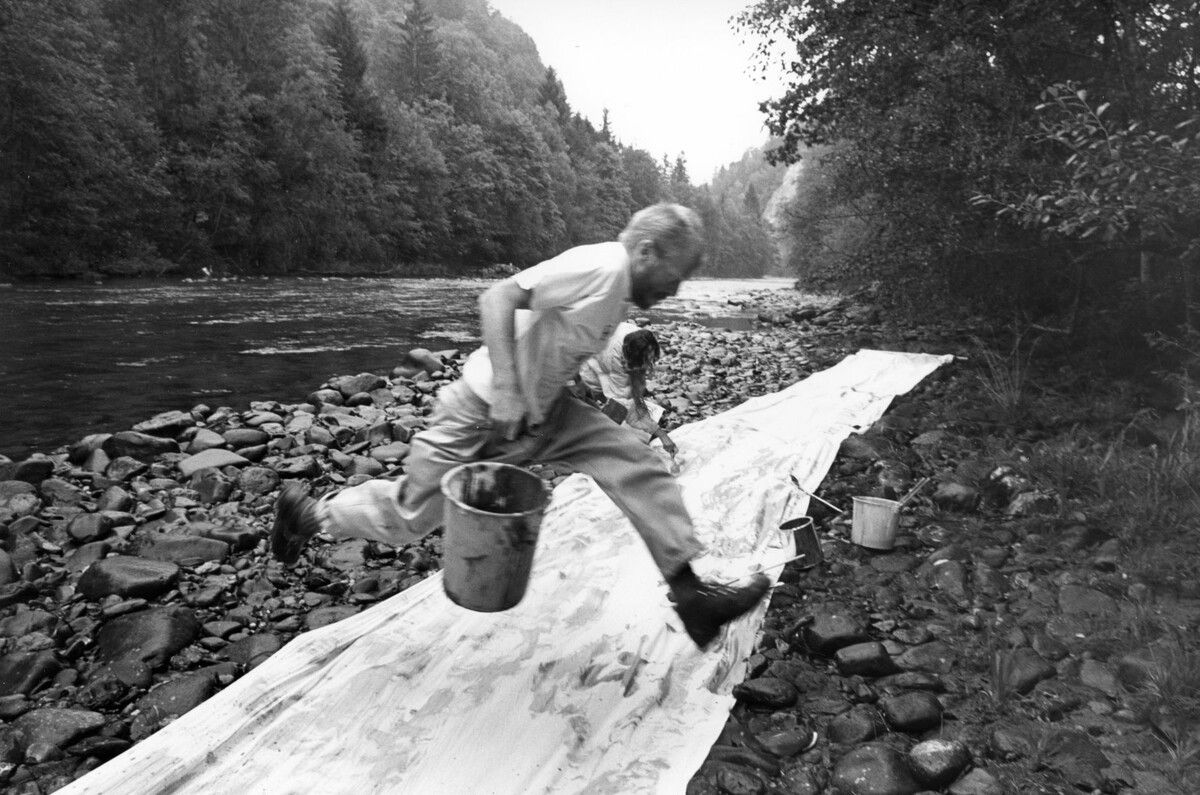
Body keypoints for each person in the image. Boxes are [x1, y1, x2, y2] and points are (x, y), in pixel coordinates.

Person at [270, 203, 768, 649]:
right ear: (644, 250)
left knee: (631, 456)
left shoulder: (620, 297)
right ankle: (312, 515)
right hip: (482, 409)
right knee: (411, 518)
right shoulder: (601, 265)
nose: (674, 290)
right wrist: (509, 387)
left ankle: (691, 597)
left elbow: (555, 343)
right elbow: (498, 298)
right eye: (674, 276)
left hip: (542, 411)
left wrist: (572, 395)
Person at [577, 322, 677, 456]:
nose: (649, 364)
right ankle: (592, 446)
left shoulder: (642, 338)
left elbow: (636, 393)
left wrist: (661, 435)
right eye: (646, 361)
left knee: (626, 397)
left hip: (601, 339)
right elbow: (628, 403)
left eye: (651, 358)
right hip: (587, 355)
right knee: (614, 403)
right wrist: (663, 436)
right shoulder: (614, 360)